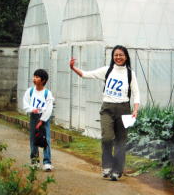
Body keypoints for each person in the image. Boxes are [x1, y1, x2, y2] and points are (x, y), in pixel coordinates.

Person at [69, 45, 140, 181]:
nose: (118, 57)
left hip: (124, 109)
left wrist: (135, 110)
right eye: (116, 55)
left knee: (120, 141)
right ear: (112, 57)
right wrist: (73, 68)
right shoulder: (107, 70)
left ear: (126, 57)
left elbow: (136, 93)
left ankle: (117, 170)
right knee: (107, 137)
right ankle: (107, 166)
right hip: (107, 108)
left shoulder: (130, 73)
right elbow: (85, 74)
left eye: (121, 55)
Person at [23, 69, 54, 171]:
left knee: (46, 139)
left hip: (44, 117)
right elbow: (25, 104)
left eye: (37, 77)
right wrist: (32, 109)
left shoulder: (47, 93)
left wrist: (42, 120)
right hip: (33, 117)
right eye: (34, 76)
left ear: (43, 80)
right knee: (33, 139)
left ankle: (47, 162)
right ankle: (35, 161)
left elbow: (49, 108)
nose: (34, 79)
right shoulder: (30, 91)